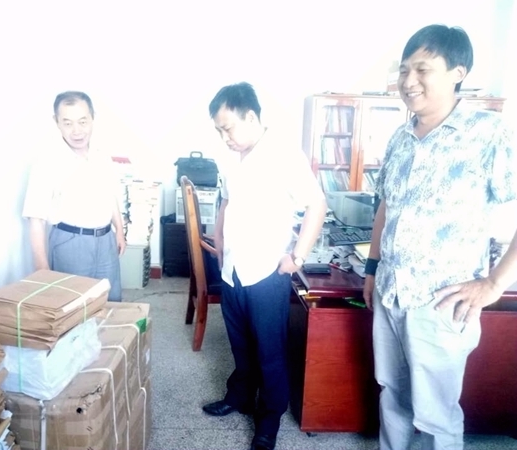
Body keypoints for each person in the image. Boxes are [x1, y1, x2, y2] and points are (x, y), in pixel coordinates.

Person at [363, 24, 517, 450]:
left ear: (457, 72)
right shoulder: (399, 138)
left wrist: (494, 283)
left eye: (423, 69)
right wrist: (372, 268)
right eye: (404, 70)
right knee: (393, 396)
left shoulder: (488, 133)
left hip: (442, 301)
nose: (409, 81)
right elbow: (386, 206)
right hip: (391, 292)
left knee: (436, 415)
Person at [202, 82, 327, 450]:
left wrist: (297, 257)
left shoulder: (284, 154)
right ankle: (239, 396)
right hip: (233, 269)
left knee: (270, 353)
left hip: (267, 272)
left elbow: (316, 205)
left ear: (252, 117)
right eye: (219, 131)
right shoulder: (230, 155)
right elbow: (227, 200)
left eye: (228, 128)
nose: (224, 137)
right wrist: (219, 237)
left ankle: (269, 419)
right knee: (240, 344)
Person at [22, 91, 126, 301]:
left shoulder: (101, 156)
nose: (77, 131)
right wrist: (42, 269)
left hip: (106, 241)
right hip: (70, 243)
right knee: (72, 307)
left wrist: (119, 230)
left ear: (93, 118)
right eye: (68, 123)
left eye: (82, 121)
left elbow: (110, 195)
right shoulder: (47, 162)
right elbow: (36, 220)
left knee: (111, 302)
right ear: (57, 122)